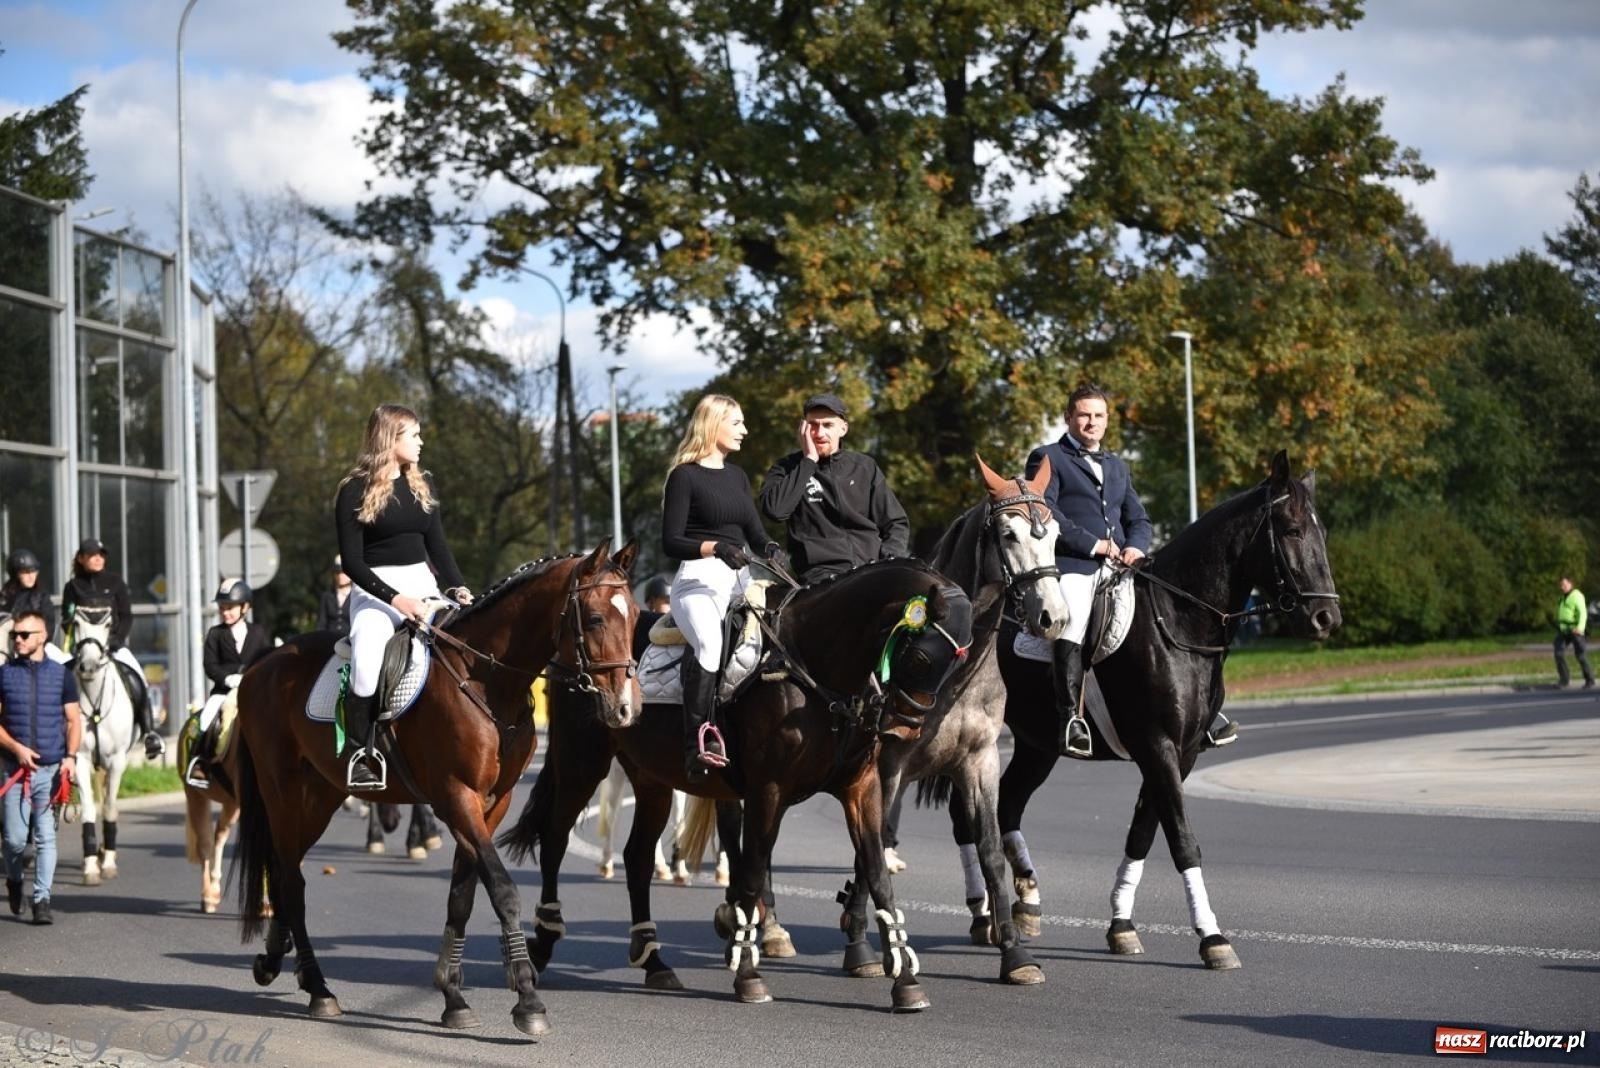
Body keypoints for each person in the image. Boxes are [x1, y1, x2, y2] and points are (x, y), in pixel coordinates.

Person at [335, 404, 473, 791]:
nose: (420, 442)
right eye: (413, 435)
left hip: (423, 587)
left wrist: (457, 587)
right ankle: (362, 754)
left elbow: (439, 548)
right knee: (366, 661)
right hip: (375, 592)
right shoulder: (353, 490)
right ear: (390, 438)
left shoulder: (423, 482)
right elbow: (352, 563)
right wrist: (398, 601)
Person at [1025, 384, 1158, 759]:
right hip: (1075, 564)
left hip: (1122, 566)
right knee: (1076, 614)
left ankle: (1199, 712)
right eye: (1084, 414)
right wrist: (1094, 545)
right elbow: (1046, 513)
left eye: (1099, 416)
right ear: (1069, 417)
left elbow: (1138, 517)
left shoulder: (1118, 465)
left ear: (1107, 421)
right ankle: (1070, 717)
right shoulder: (1046, 457)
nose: (1091, 422)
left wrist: (1136, 546)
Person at [661, 394, 779, 781]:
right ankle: (696, 743)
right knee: (710, 644)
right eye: (738, 422)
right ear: (714, 425)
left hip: (740, 581)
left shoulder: (738, 476)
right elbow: (670, 540)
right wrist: (715, 547)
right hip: (697, 581)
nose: (745, 430)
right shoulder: (685, 476)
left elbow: (755, 533)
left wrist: (771, 549)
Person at [759, 393, 910, 584]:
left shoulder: (864, 467)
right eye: (813, 425)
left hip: (871, 569)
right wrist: (808, 462)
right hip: (820, 578)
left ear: (843, 429)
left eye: (827, 425)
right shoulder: (786, 468)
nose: (819, 433)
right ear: (802, 428)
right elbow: (775, 511)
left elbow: (896, 522)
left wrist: (889, 560)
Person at [1, 610, 82, 925]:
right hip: (14, 770)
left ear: (42, 637)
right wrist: (16, 748)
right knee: (14, 840)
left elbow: (74, 720)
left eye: (24, 634)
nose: (17, 640)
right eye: (14, 635)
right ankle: (14, 879)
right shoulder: (3, 674)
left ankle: (42, 899)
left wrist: (71, 756)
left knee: (46, 837)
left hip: (50, 772)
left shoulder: (62, 675)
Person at [61, 537, 163, 760]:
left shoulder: (116, 582)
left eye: (101, 555)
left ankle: (149, 733)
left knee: (138, 679)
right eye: (92, 555)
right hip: (83, 650)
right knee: (58, 678)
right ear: (81, 558)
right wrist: (79, 643)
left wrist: (115, 640)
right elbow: (66, 618)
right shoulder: (72, 587)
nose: (98, 558)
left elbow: (126, 616)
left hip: (114, 647)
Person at [184, 580, 273, 788]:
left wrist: (253, 677)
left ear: (245, 607)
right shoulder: (215, 634)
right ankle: (201, 763)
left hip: (253, 690)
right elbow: (210, 665)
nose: (225, 613)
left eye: (230, 608)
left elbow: (267, 659)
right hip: (223, 691)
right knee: (207, 719)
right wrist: (228, 678)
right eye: (222, 608)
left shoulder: (258, 633)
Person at [1, 550, 68, 665]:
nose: (31, 576)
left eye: (34, 571)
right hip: (8, 647)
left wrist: (34, 642)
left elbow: (49, 626)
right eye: (25, 572)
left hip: (38, 645)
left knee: (65, 664)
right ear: (15, 574)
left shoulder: (41, 596)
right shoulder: (4, 596)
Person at [1554, 576, 1594, 690]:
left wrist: (1580, 628)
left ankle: (1590, 680)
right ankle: (1564, 680)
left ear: (1570, 584)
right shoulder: (1563, 597)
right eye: (1561, 585)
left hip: (1576, 630)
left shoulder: (1577, 596)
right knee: (1558, 653)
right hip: (1564, 630)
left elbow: (1583, 613)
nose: (1562, 587)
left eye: (1564, 585)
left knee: (1580, 655)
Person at [316, 555, 354, 636]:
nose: (340, 576)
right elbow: (322, 623)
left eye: (343, 573)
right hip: (329, 640)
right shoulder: (327, 596)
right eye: (337, 573)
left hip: (349, 640)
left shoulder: (356, 596)